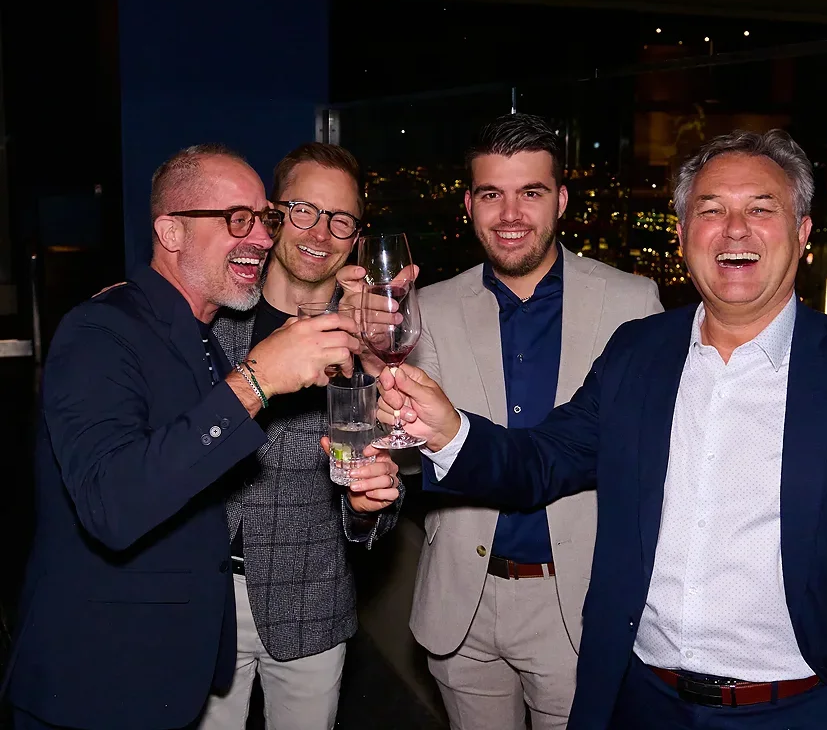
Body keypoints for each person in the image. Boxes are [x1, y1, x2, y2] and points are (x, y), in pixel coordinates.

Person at [378, 129, 827, 730]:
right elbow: (543, 459)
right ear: (681, 235)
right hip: (642, 703)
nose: (735, 230)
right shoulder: (638, 353)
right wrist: (447, 429)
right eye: (711, 211)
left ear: (803, 232)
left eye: (761, 209)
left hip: (804, 709)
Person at [3, 144, 400, 730]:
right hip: (116, 660)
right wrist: (258, 379)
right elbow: (115, 499)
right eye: (244, 219)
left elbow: (373, 466)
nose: (261, 237)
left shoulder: (207, 332)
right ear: (170, 231)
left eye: (259, 219)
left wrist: (367, 500)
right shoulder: (110, 327)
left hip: (278, 616)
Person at [404, 113, 662, 729]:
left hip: (579, 603)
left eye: (531, 192)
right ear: (469, 205)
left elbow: (650, 456)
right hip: (462, 602)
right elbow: (408, 452)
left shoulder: (632, 302)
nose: (510, 214)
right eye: (491, 194)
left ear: (562, 201)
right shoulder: (427, 308)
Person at [200, 143, 402, 730]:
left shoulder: (370, 341)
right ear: (273, 213)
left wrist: (366, 508)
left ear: (356, 236)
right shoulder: (211, 317)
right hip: (200, 596)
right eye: (304, 209)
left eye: (341, 219)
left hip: (311, 602)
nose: (320, 232)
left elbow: (379, 489)